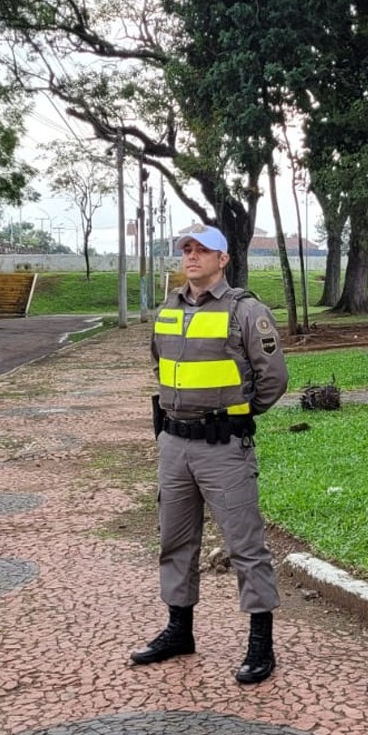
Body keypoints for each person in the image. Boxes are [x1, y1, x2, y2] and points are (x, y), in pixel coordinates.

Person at [131, 223, 289, 684]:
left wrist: (237, 413)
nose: (192, 256)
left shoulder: (247, 311)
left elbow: (273, 379)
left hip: (224, 446)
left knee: (245, 544)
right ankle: (179, 630)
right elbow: (160, 367)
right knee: (175, 540)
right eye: (187, 249)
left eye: (203, 250)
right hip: (174, 444)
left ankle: (261, 644)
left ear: (223, 260)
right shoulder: (167, 310)